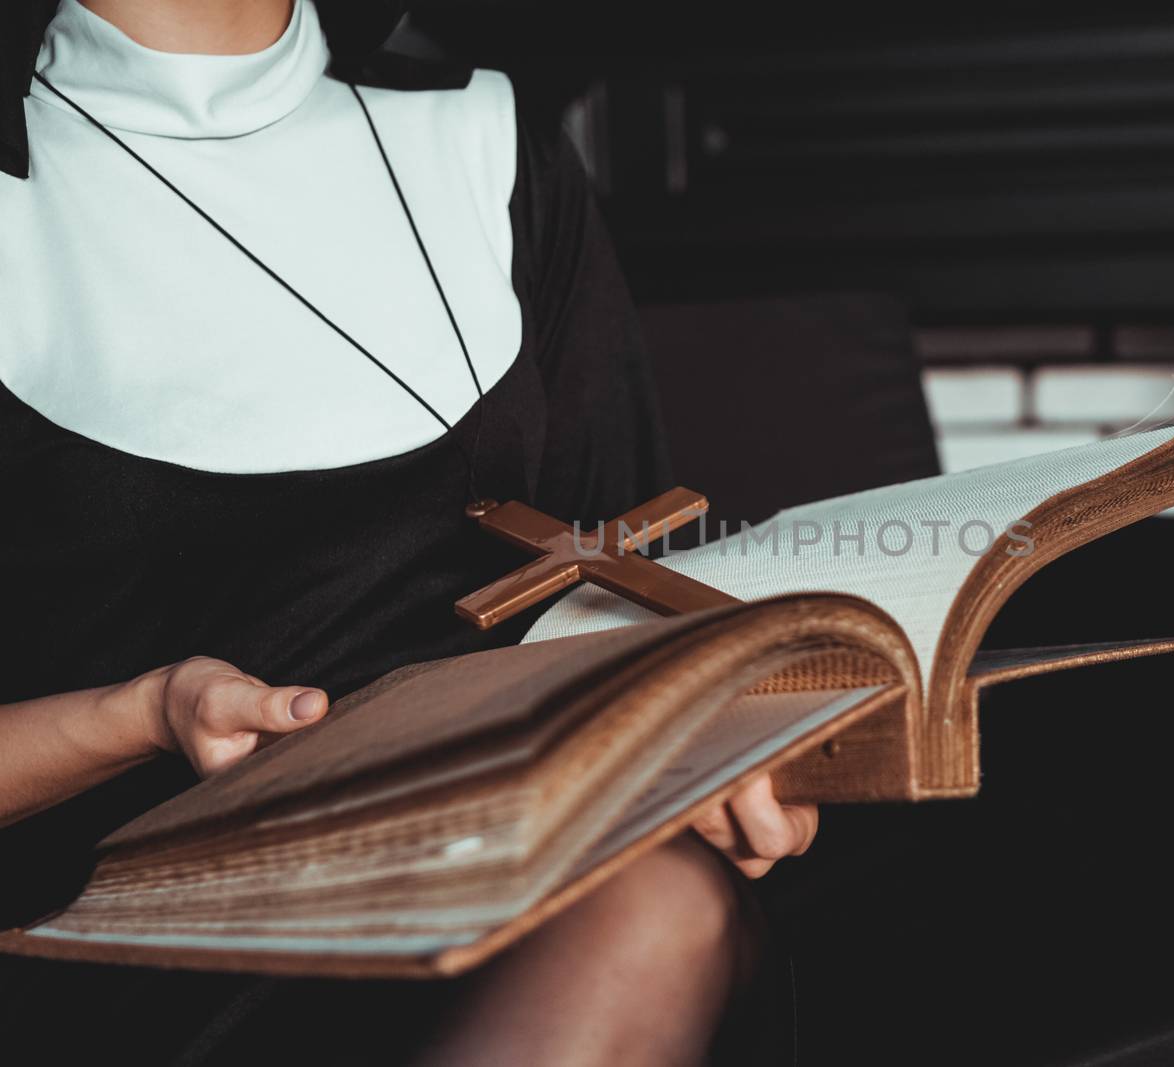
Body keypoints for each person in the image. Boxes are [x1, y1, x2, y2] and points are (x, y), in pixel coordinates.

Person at [0, 0, 816, 1062]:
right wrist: (147, 710)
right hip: (139, 943)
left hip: (520, 875)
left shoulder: (486, 136)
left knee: (654, 905)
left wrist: (703, 741)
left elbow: (624, 583)